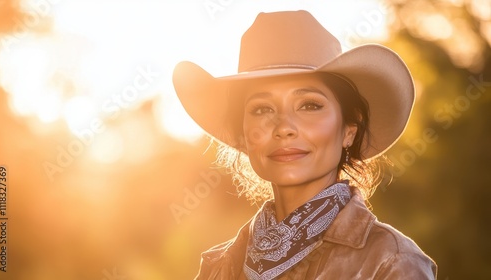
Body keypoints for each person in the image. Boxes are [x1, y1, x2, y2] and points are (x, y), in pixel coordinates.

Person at [173, 10, 437, 280]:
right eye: (262, 109)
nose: (284, 127)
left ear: (349, 131)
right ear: (243, 134)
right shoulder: (219, 265)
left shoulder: (391, 263)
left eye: (310, 105)